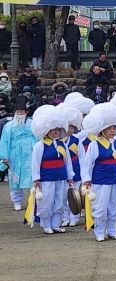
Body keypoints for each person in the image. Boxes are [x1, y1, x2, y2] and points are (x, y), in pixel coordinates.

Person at [80, 102, 116, 241]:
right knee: (100, 206)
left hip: (115, 178)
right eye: (109, 128)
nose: (112, 131)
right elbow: (87, 163)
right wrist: (86, 179)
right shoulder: (94, 144)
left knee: (114, 205)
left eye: (113, 128)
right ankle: (99, 232)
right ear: (102, 130)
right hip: (100, 179)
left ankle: (112, 230)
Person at [29, 105, 73, 234]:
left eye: (58, 129)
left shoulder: (62, 144)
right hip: (46, 177)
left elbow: (67, 162)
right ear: (47, 130)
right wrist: (36, 178)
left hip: (61, 176)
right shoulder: (40, 145)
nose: (56, 132)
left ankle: (55, 224)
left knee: (60, 201)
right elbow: (35, 163)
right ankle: (46, 224)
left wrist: (70, 176)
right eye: (53, 129)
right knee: (46, 201)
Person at [0, 97, 36, 211]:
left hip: (29, 154)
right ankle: (16, 201)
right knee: (14, 179)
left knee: (32, 176)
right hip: (14, 155)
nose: (20, 113)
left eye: (22, 111)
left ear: (26, 112)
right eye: (18, 111)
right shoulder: (9, 126)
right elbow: (4, 141)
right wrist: (4, 156)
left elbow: (37, 139)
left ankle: (33, 199)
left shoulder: (32, 124)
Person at [57, 104, 84, 227]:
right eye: (68, 127)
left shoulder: (76, 140)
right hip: (63, 169)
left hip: (76, 169)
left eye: (72, 127)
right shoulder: (58, 141)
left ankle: (75, 217)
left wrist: (83, 172)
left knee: (74, 195)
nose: (70, 129)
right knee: (64, 196)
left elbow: (82, 156)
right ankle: (65, 217)